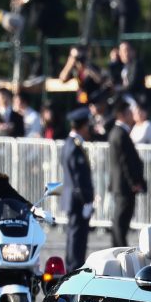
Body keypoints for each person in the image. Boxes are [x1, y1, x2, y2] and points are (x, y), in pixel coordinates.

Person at [108, 97, 146, 247]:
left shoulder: (117, 133)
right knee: (121, 221)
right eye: (129, 112)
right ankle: (119, 248)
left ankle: (118, 246)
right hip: (124, 185)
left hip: (121, 185)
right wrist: (134, 183)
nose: (132, 115)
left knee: (120, 220)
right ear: (123, 114)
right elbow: (125, 163)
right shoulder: (120, 134)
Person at [61, 108, 95, 271]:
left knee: (75, 236)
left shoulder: (71, 144)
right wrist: (86, 201)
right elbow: (78, 178)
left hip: (74, 198)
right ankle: (74, 268)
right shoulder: (74, 146)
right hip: (78, 200)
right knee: (77, 237)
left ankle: (73, 266)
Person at [28, 0, 67, 77]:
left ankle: (46, 73)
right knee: (44, 48)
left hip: (50, 22)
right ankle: (43, 72)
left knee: (49, 49)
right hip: (46, 22)